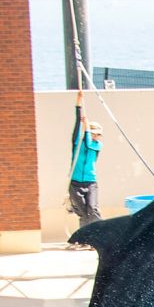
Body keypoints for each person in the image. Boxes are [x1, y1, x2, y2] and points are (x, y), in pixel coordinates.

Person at [69, 89, 103, 238]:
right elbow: (78, 122)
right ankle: (85, 239)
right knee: (82, 212)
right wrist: (79, 103)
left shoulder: (96, 145)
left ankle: (99, 236)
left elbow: (89, 144)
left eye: (97, 134)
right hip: (75, 182)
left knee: (93, 209)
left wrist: (87, 128)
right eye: (95, 133)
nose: (97, 136)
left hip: (90, 182)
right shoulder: (77, 144)